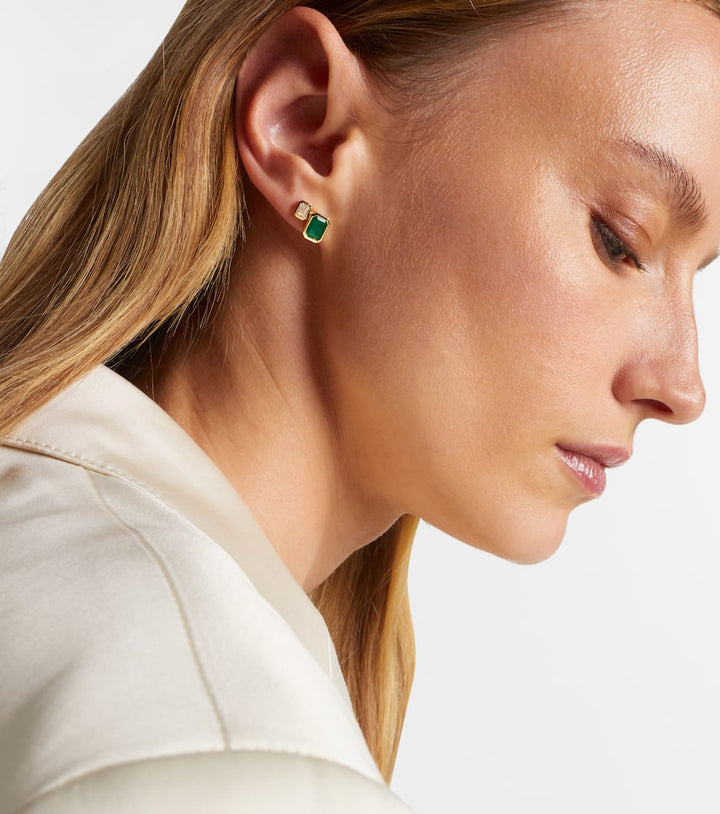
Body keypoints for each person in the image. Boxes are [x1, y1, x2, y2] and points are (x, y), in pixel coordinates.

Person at [1, 0, 719, 811]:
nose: (682, 386)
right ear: (304, 129)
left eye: (697, 274)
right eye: (620, 240)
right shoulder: (223, 752)